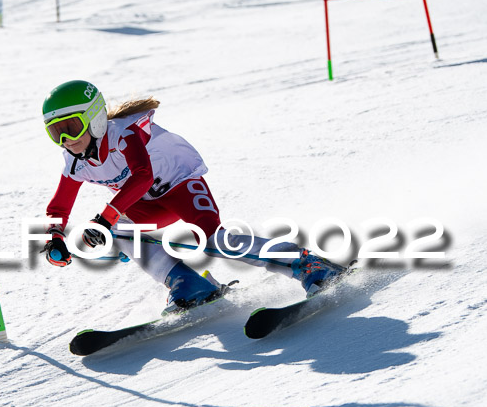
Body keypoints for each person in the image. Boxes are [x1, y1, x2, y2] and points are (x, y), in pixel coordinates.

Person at [40, 80, 345, 314]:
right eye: (56, 133)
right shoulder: (75, 161)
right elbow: (60, 205)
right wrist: (54, 236)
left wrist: (104, 218)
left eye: (71, 127)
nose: (67, 140)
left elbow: (142, 175)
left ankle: (307, 264)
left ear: (94, 118)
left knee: (214, 240)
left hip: (180, 186)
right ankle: (187, 283)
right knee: (120, 232)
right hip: (146, 204)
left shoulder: (124, 134)